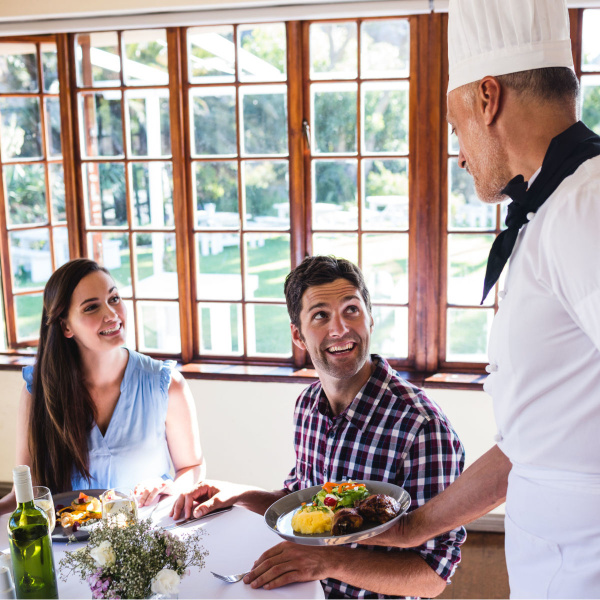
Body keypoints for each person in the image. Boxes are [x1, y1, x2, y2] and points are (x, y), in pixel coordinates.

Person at [366, 0, 600, 597]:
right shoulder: (553, 209)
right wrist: (416, 526)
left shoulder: (585, 205)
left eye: (455, 128)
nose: (460, 153)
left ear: (487, 98)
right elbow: (535, 439)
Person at [171, 256, 465, 599]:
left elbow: (432, 576)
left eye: (351, 310)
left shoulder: (423, 428)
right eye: (321, 315)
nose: (339, 328)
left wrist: (328, 562)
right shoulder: (308, 405)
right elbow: (306, 501)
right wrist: (241, 496)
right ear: (298, 335)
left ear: (371, 317)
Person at [0, 258, 204, 515]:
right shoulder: (39, 393)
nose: (111, 314)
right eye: (91, 307)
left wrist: (169, 487)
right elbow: (25, 493)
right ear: (65, 326)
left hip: (149, 539)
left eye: (114, 299)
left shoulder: (166, 384)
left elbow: (192, 467)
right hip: (69, 546)